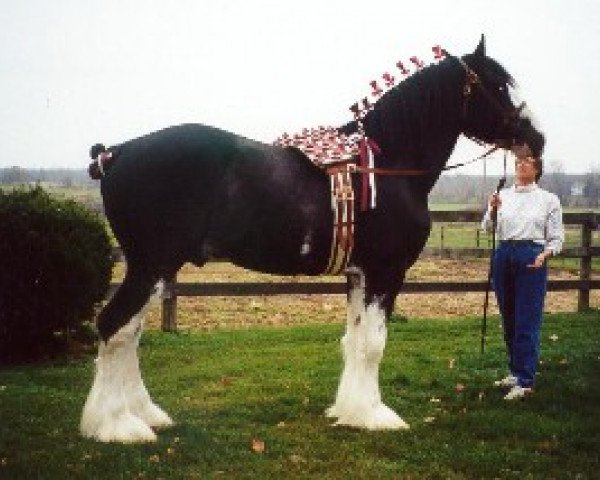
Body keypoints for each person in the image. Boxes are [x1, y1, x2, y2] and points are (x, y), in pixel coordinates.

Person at [481, 153, 564, 400]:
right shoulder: (503, 196)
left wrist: (544, 255)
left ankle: (526, 380)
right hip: (504, 253)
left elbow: (557, 238)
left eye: (527, 161)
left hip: (531, 255)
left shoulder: (549, 200)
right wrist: (493, 210)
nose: (521, 164)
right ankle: (515, 372)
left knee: (526, 318)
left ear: (537, 169)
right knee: (509, 317)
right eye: (518, 161)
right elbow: (487, 228)